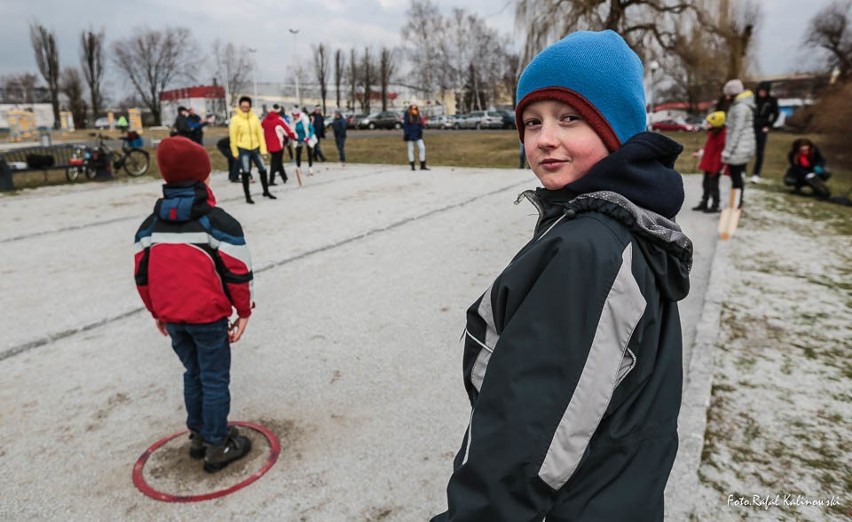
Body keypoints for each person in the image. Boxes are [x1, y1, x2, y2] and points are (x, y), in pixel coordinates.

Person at [432, 30, 693, 521]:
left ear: (614, 130)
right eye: (532, 122)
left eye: (569, 118)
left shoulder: (588, 250)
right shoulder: (618, 223)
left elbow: (526, 446)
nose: (544, 138)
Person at [133, 136, 253, 473]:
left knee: (193, 373)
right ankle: (217, 444)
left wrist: (157, 310)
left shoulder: (149, 227)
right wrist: (243, 311)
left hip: (173, 318)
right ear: (204, 178)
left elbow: (141, 275)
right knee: (214, 378)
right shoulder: (218, 223)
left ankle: (199, 433)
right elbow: (238, 273)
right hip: (207, 317)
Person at [229, 96, 273, 204]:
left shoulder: (254, 118)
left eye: (247, 106)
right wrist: (235, 152)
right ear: (240, 106)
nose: (245, 108)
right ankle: (248, 196)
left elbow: (260, 135)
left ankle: (266, 191)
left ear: (250, 106)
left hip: (256, 148)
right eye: (243, 106)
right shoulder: (235, 119)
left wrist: (263, 150)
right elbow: (233, 136)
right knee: (246, 172)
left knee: (263, 169)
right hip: (243, 149)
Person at [720, 79, 756, 209]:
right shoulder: (739, 105)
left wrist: (728, 150)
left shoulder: (741, 107)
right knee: (737, 176)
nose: (726, 97)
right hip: (742, 146)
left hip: (740, 148)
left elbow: (736, 130)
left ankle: (736, 203)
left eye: (728, 94)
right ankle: (736, 201)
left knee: (736, 178)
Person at [692, 111, 727, 213]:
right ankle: (704, 202)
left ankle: (715, 205)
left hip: (715, 167)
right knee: (706, 184)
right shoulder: (712, 134)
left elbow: (719, 155)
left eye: (709, 123)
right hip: (708, 165)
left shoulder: (722, 136)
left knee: (713, 186)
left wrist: (716, 169)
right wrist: (699, 154)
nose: (707, 125)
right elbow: (708, 149)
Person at [750, 81, 779, 184]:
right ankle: (742, 171)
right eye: (760, 91)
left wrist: (768, 126)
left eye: (764, 91)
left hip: (763, 128)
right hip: (751, 126)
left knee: (760, 152)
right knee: (747, 149)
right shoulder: (753, 99)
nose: (761, 93)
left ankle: (756, 174)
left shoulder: (772, 101)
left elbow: (775, 114)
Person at [261, 104, 296, 186]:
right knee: (274, 162)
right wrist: (295, 137)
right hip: (278, 144)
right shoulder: (279, 120)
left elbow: (261, 129)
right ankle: (271, 180)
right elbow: (287, 130)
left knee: (278, 161)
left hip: (269, 144)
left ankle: (284, 178)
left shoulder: (265, 120)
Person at [403, 104, 428, 171]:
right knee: (411, 149)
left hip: (417, 133)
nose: (414, 108)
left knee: (422, 148)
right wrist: (406, 133)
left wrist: (421, 130)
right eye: (413, 107)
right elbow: (405, 124)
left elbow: (420, 123)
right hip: (410, 133)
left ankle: (422, 165)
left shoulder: (418, 114)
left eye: (415, 107)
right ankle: (412, 165)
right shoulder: (407, 113)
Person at [292, 108, 315, 177]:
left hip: (306, 138)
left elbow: (311, 129)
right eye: (293, 115)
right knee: (298, 154)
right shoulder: (293, 122)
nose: (294, 117)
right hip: (298, 140)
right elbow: (292, 131)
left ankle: (310, 168)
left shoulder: (305, 120)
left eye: (295, 115)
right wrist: (294, 138)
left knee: (309, 153)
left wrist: (308, 137)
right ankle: (298, 167)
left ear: (298, 115)